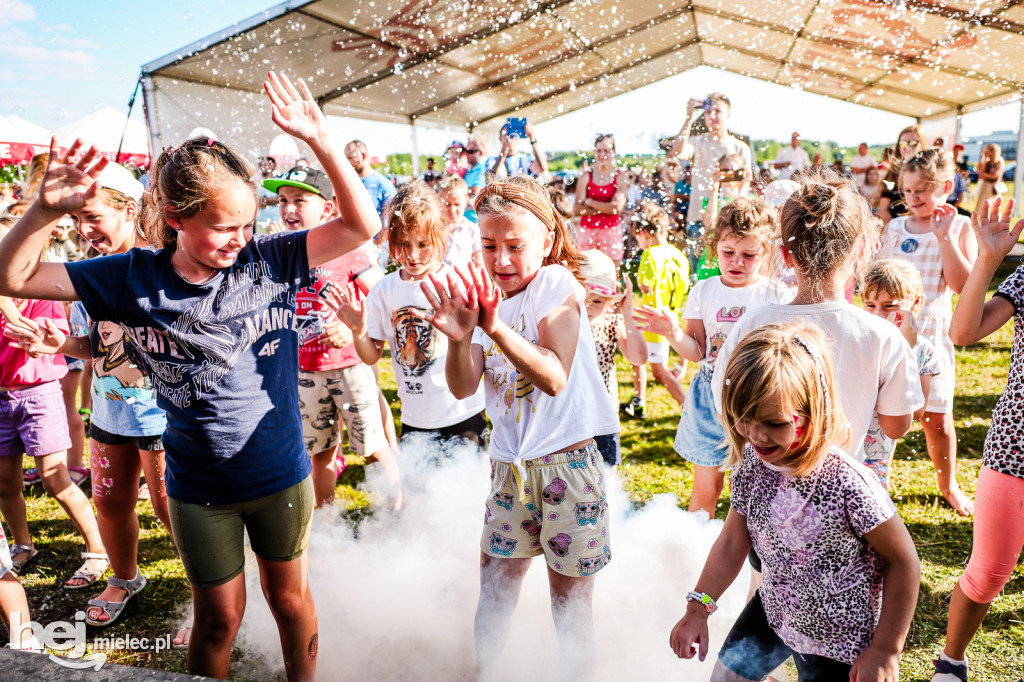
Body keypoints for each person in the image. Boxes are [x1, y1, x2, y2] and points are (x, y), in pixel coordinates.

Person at [0, 71, 380, 681]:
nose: (240, 240)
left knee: (288, 601)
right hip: (199, 486)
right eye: (224, 227)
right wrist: (43, 211)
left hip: (280, 472)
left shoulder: (272, 259)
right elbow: (14, 278)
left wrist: (322, 142)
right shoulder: (130, 275)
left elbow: (362, 227)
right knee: (217, 618)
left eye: (248, 224)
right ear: (175, 217)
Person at [419, 175, 617, 681]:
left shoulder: (557, 284)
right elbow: (464, 389)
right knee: (495, 590)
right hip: (509, 468)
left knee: (569, 604)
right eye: (489, 246)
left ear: (547, 241)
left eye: (514, 246)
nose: (501, 260)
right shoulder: (491, 299)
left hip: (567, 470)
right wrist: (462, 340)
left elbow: (553, 375)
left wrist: (493, 326)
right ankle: (487, 674)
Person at [670, 322, 921, 680]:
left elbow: (904, 560)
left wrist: (885, 649)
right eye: (743, 419)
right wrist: (699, 607)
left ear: (814, 410)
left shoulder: (850, 484)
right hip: (775, 611)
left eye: (773, 422)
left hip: (839, 642)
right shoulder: (753, 464)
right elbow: (731, 541)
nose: (756, 435)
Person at [7, 163, 171, 626]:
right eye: (77, 220)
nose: (83, 230)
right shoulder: (92, 273)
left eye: (93, 217)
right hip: (109, 412)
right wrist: (60, 344)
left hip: (160, 416)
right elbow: (99, 343)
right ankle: (123, 576)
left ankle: (209, 591)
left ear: (131, 210)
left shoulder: (162, 264)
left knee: (167, 507)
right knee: (111, 502)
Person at [712, 172, 923, 466]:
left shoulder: (751, 324)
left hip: (765, 492)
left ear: (786, 255)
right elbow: (896, 426)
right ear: (861, 250)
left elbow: (725, 412)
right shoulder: (883, 334)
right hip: (839, 494)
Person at [635, 197, 788, 516]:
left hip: (756, 398)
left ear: (766, 253)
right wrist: (671, 333)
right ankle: (696, 555)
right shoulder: (703, 291)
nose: (737, 262)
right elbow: (697, 352)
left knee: (751, 490)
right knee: (706, 489)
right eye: (728, 253)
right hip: (708, 395)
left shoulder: (775, 294)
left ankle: (752, 560)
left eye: (749, 255)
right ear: (714, 247)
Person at [262, 164, 401, 510]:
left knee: (372, 446)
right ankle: (325, 523)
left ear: (327, 207)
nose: (289, 209)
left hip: (349, 369)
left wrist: (357, 329)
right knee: (318, 453)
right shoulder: (277, 254)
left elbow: (382, 296)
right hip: (304, 373)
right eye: (283, 200)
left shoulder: (348, 251)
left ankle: (398, 512)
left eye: (299, 200)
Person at [932, 197, 1024, 682]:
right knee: (989, 571)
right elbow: (964, 331)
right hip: (1016, 449)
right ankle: (950, 662)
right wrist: (987, 260)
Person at [334, 181, 487, 447]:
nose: (413, 254)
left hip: (463, 411)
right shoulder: (383, 291)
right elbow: (372, 354)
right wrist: (358, 332)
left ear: (441, 236)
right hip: (416, 418)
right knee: (418, 489)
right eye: (403, 244)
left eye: (423, 243)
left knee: (469, 487)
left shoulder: (456, 283)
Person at [0, 221, 107, 590]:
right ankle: (22, 544)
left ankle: (97, 549)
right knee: (5, 484)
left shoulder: (40, 292)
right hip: (1, 399)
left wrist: (4, 298)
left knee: (55, 479)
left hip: (37, 394)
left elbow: (31, 335)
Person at [877, 148, 978, 515]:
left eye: (922, 189)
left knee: (936, 419)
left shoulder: (959, 226)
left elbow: (964, 285)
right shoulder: (894, 228)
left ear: (946, 186)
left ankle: (948, 484)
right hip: (892, 332)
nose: (913, 197)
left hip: (932, 333)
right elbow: (880, 278)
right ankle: (876, 479)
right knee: (888, 413)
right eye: (906, 190)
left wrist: (945, 237)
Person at [859, 258, 939, 488]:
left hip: (877, 452)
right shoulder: (858, 339)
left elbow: (917, 411)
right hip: (842, 444)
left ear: (914, 303)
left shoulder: (923, 350)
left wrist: (905, 351)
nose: (878, 315)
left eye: (890, 306)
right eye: (870, 305)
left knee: (870, 506)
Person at [579, 248, 646, 467]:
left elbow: (638, 358)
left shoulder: (611, 324)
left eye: (597, 302)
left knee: (606, 477)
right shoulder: (564, 323)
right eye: (584, 299)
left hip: (603, 416)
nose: (589, 307)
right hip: (570, 416)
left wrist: (627, 314)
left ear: (610, 303)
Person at [623, 201, 688, 418]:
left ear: (642, 233)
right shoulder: (678, 255)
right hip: (672, 317)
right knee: (637, 359)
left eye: (637, 237)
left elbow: (645, 286)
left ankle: (688, 407)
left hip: (652, 321)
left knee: (659, 371)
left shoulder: (650, 255)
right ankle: (638, 401)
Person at [668, 93, 753, 238]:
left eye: (717, 111)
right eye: (708, 112)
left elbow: (745, 184)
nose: (711, 115)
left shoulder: (740, 148)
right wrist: (689, 117)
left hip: (729, 220)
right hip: (698, 219)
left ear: (728, 114)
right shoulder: (697, 142)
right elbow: (677, 152)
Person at [574, 133, 628, 267]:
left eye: (606, 150)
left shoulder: (620, 176)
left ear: (613, 152)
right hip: (587, 232)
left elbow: (617, 209)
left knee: (612, 275)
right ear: (594, 152)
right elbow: (577, 209)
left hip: (611, 231)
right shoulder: (586, 176)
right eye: (599, 150)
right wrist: (606, 208)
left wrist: (590, 203)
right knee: (585, 275)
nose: (602, 154)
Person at [878, 124, 927, 223]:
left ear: (922, 144)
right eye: (903, 143)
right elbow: (883, 210)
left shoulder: (929, 173)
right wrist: (897, 230)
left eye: (913, 143)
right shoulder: (892, 173)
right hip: (898, 228)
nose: (907, 147)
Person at [437, 174, 483, 268]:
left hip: (463, 281)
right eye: (447, 204)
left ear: (466, 201)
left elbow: (479, 263)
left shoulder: (472, 230)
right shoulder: (435, 229)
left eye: (457, 204)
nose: (452, 210)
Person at [344, 139, 396, 218]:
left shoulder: (383, 184)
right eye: (345, 158)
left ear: (363, 156)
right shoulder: (350, 182)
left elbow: (393, 217)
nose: (347, 162)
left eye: (350, 157)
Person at [462, 134, 488, 223]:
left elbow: (475, 190)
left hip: (477, 222)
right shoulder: (469, 168)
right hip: (467, 220)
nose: (466, 154)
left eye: (470, 151)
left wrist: (458, 191)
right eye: (466, 150)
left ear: (481, 153)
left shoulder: (484, 167)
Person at [974, 143, 1006, 210]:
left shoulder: (999, 161)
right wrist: (983, 157)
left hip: (993, 187)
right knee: (981, 206)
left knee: (992, 207)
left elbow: (995, 176)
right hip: (985, 186)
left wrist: (984, 175)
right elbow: (979, 171)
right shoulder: (987, 161)